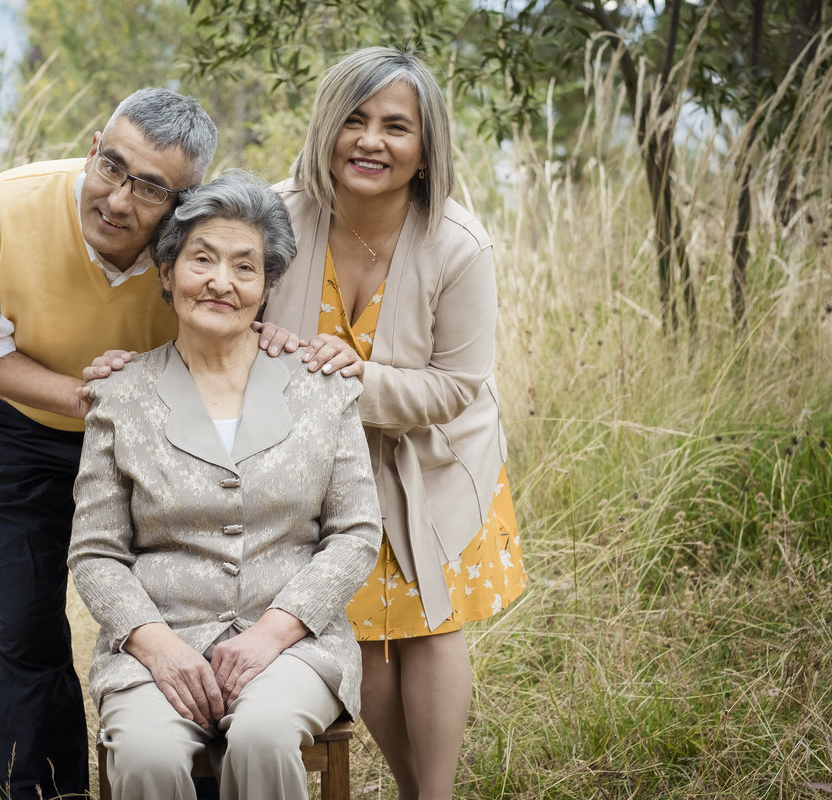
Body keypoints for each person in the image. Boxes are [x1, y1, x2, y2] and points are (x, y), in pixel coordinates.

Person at [0, 89, 306, 800]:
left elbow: (248, 327)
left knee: (183, 613)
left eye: (150, 189)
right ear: (93, 145)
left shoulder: (200, 248)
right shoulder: (0, 205)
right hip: (23, 436)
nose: (117, 199)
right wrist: (89, 396)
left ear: (182, 202)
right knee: (28, 629)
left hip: (158, 443)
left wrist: (288, 344)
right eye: (110, 166)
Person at [260, 48, 529, 800]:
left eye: (395, 126)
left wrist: (354, 380)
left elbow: (457, 386)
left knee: (430, 625)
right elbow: (229, 313)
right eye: (354, 119)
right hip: (322, 466)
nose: (370, 141)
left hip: (431, 459)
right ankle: (415, 790)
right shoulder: (275, 218)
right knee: (364, 638)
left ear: (426, 148)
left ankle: (434, 793)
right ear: (327, 128)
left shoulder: (459, 244)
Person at [67, 171, 382, 800]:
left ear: (265, 287)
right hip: (157, 643)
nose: (221, 282)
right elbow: (96, 552)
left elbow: (355, 534)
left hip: (293, 644)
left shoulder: (323, 387)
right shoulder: (119, 395)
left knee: (263, 736)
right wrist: (157, 645)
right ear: (166, 272)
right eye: (202, 259)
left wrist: (274, 631)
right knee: (146, 755)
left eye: (245, 267)